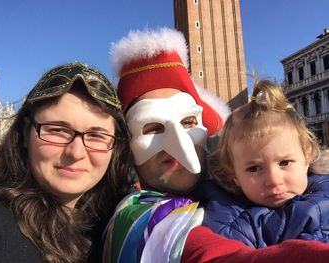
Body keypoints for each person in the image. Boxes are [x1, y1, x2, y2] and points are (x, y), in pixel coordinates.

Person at [102, 27, 329, 263]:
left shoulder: (238, 190)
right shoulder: (137, 217)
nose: (178, 144)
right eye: (153, 128)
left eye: (189, 122)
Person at [0, 62, 132, 263]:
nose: (76, 152)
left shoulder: (115, 227)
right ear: (25, 133)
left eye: (96, 135)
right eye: (58, 130)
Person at [200, 78, 329, 247]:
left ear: (307, 157)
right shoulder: (229, 223)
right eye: (254, 168)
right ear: (234, 174)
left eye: (285, 162)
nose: (274, 180)